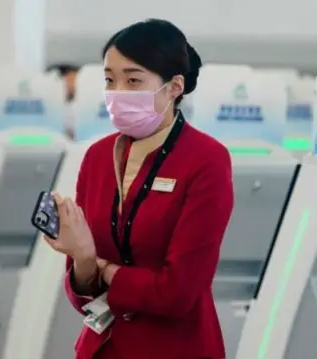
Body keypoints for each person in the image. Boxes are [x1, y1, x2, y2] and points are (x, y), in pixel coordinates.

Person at [44, 19, 234, 359]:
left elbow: (178, 293)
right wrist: (83, 258)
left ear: (174, 86)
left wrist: (105, 270)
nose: (118, 92)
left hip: (176, 349)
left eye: (133, 80)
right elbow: (80, 295)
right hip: (103, 348)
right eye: (109, 79)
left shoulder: (207, 160)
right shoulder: (98, 157)